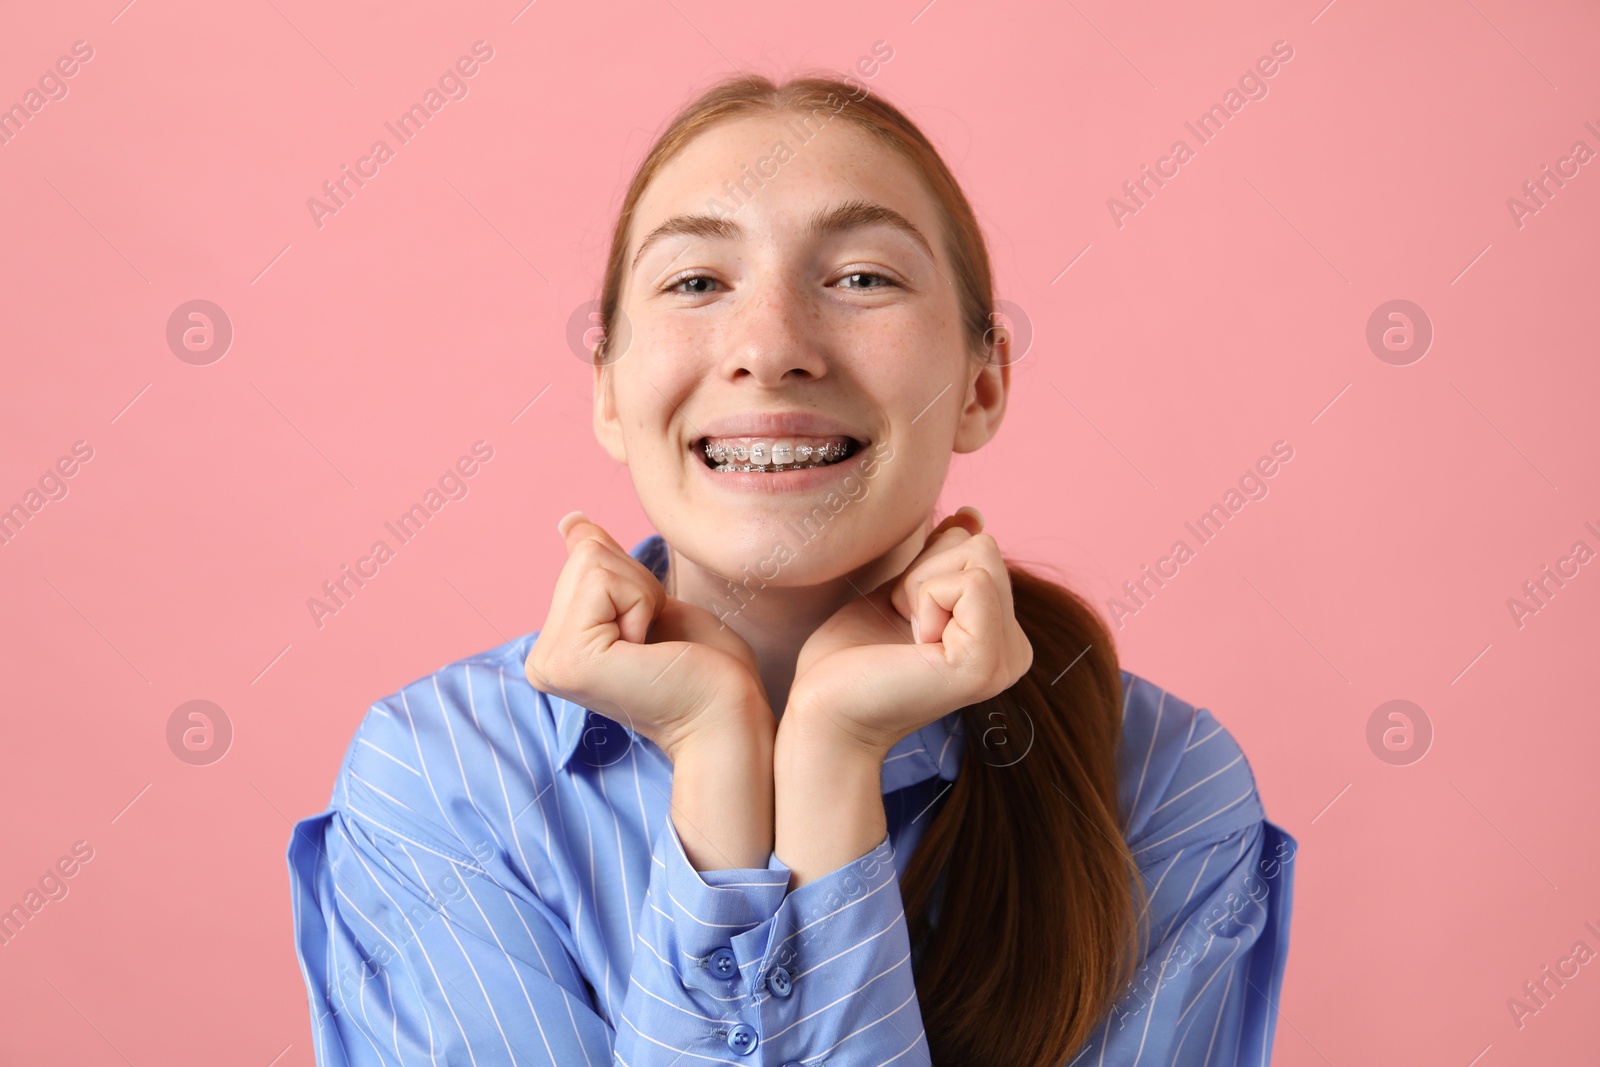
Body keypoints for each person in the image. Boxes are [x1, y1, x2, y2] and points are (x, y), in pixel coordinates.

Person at [287, 71, 1295, 1066]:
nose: (770, 347)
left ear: (982, 382)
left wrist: (828, 761)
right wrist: (712, 756)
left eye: (861, 277)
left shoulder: (1160, 787)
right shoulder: (443, 778)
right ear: (606, 391)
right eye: (694, 282)